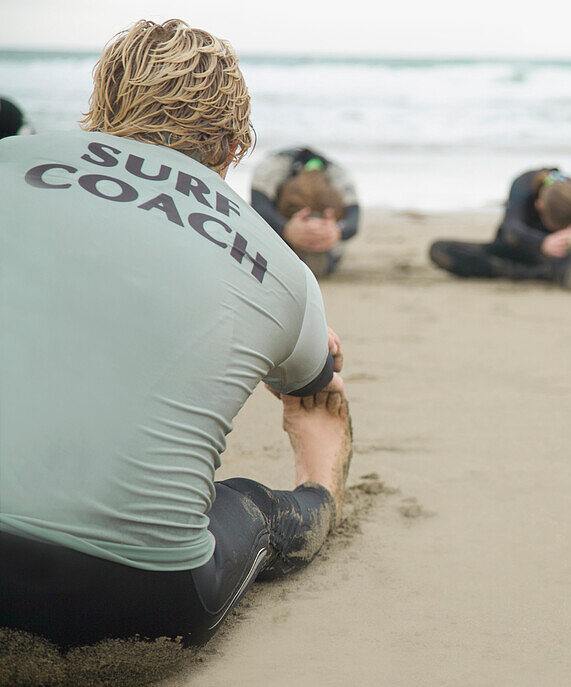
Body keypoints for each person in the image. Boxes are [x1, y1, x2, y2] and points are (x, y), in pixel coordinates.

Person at [0, 19, 352, 650]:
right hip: (129, 599)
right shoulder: (284, 267)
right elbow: (314, 381)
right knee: (249, 503)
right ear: (232, 145)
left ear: (100, 103)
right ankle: (320, 483)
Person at [428, 168, 571, 290]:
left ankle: (557, 272)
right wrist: (542, 242)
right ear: (538, 205)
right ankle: (549, 274)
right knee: (440, 249)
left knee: (564, 259)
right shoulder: (523, 186)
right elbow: (510, 230)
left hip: (555, 256)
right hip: (517, 249)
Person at [251, 146, 360, 278]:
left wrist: (336, 231)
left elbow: (354, 220)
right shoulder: (270, 170)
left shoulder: (340, 177)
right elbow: (258, 209)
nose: (311, 235)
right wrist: (285, 228)